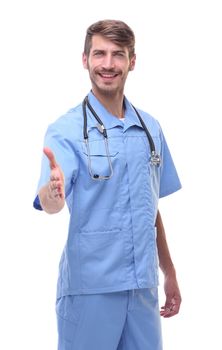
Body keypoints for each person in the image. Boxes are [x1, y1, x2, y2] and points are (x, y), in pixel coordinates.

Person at [33, 19, 182, 350]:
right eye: (99, 54)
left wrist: (168, 271)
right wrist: (53, 191)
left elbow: (149, 205)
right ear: (85, 60)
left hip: (143, 290)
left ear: (132, 61)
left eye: (118, 54)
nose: (108, 64)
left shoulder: (150, 129)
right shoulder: (67, 129)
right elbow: (50, 203)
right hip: (91, 292)